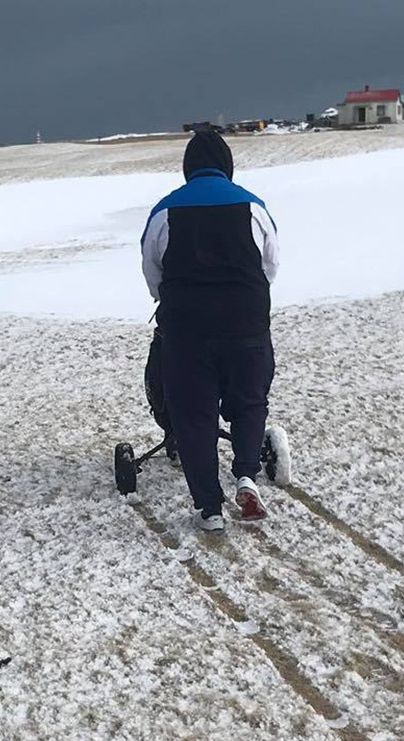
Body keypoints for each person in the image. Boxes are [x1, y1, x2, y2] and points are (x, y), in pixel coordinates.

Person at [140, 129, 280, 532]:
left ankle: (209, 509)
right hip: (248, 322)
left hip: (188, 330)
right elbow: (270, 266)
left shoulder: (165, 211)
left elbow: (153, 272)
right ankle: (247, 478)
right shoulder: (254, 207)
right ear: (227, 166)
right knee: (250, 402)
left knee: (194, 415)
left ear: (187, 169)